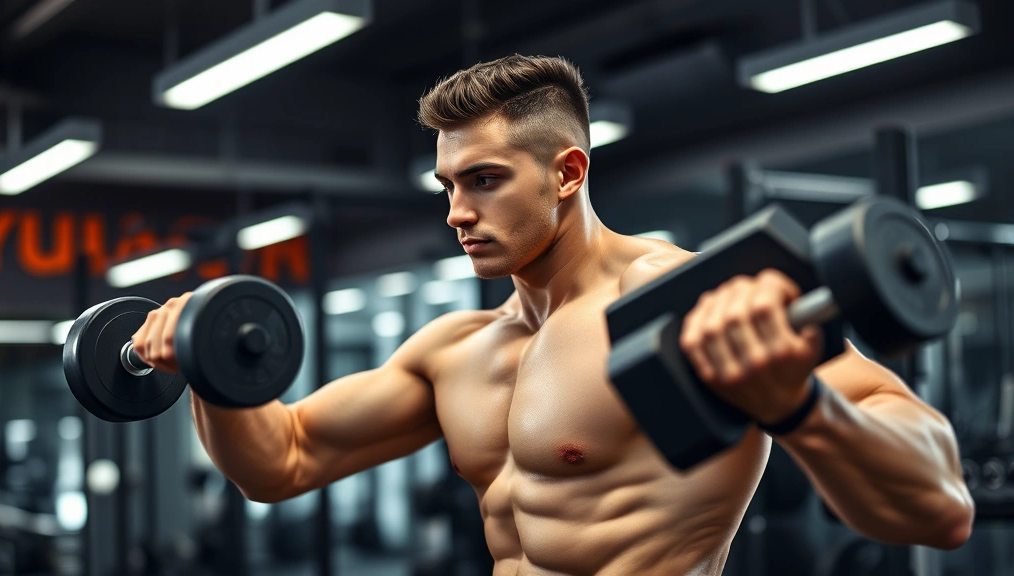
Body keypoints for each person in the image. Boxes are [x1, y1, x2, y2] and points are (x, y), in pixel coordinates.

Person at [132, 54, 974, 575]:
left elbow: (941, 507)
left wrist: (801, 406)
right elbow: (281, 462)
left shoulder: (691, 301)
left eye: (486, 179)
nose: (457, 211)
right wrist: (210, 366)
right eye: (448, 186)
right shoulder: (457, 347)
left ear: (566, 173)